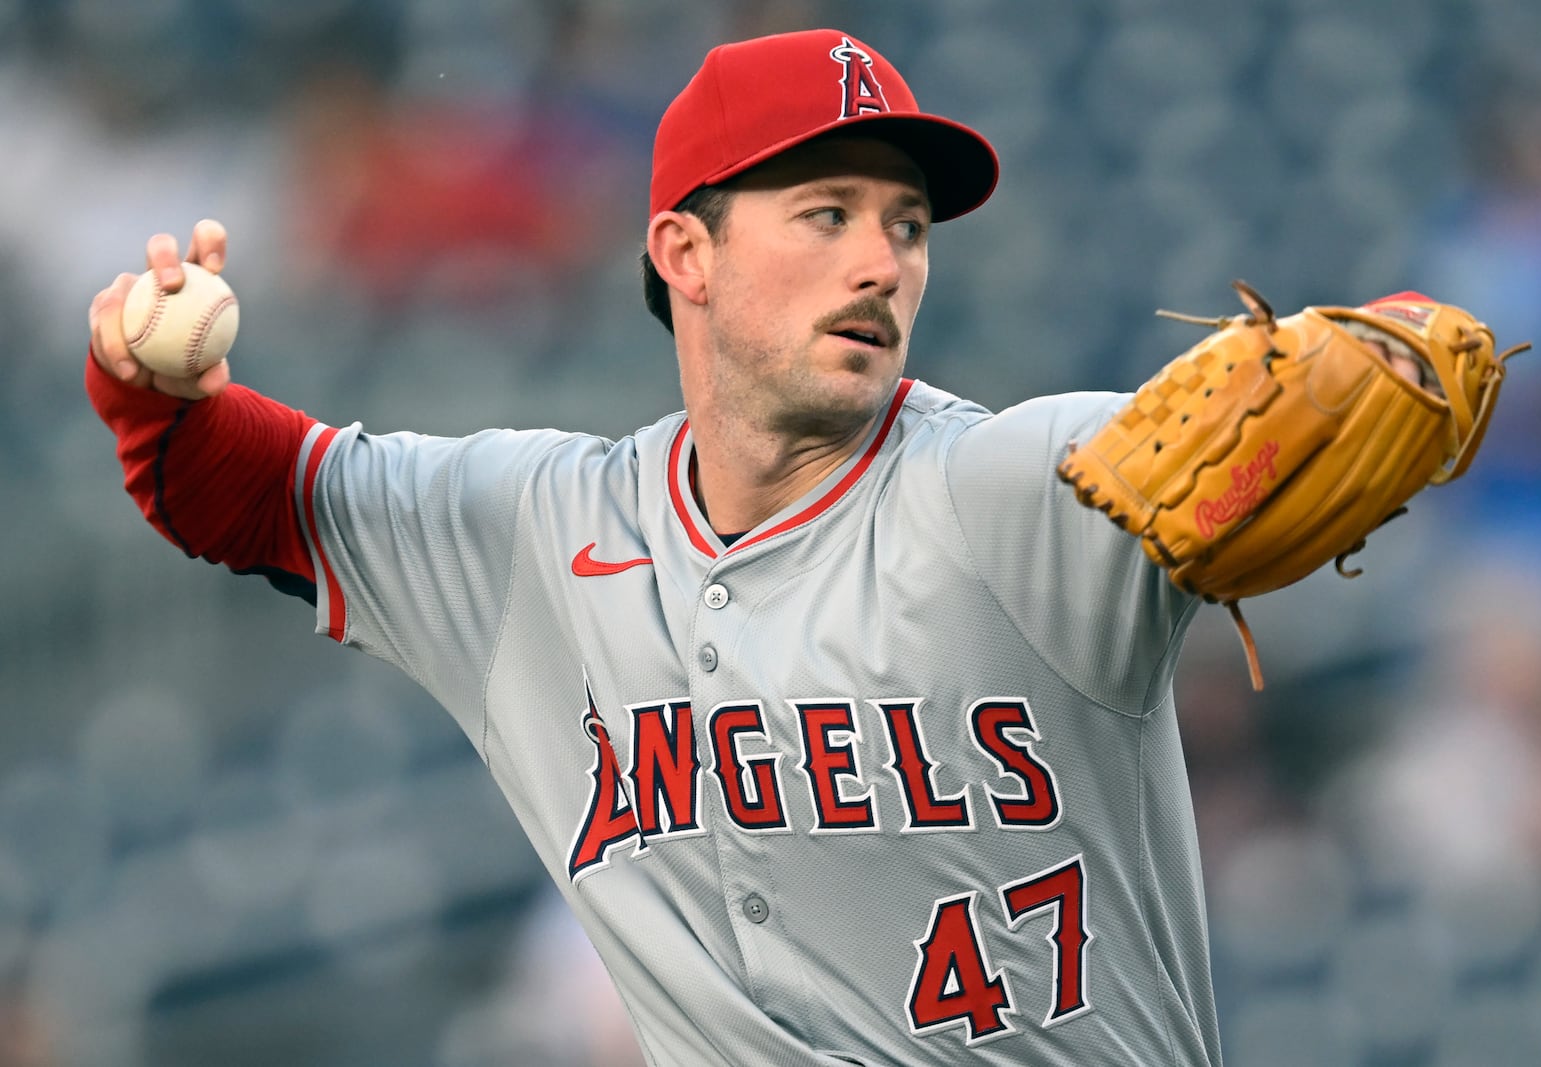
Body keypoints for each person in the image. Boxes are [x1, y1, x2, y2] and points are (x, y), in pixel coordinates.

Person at [87, 29, 1225, 1066]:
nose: (884, 261)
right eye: (828, 213)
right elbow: (241, 489)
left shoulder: (1016, 486)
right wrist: (151, 387)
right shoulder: (542, 528)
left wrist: (1403, 359)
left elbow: (1285, 411)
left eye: (908, 224)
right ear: (686, 250)